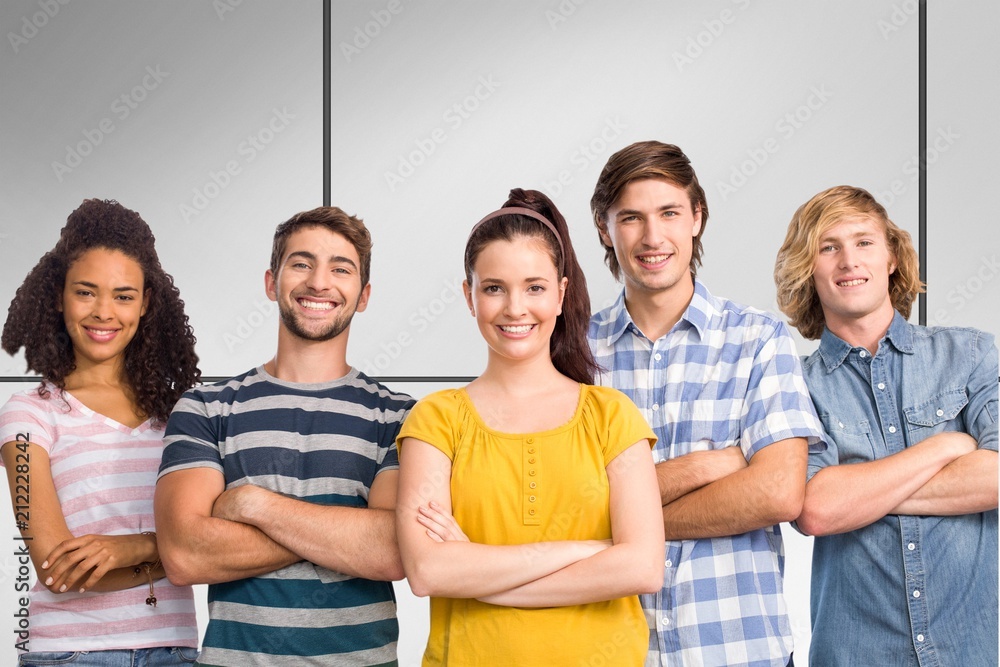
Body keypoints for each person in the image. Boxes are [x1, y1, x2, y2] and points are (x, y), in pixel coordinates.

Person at [396, 188, 664, 666]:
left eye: (534, 287)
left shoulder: (611, 415)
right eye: (494, 287)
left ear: (560, 295)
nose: (515, 308)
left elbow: (642, 566)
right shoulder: (435, 420)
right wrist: (588, 550)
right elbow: (429, 570)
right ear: (469, 296)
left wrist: (480, 570)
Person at [587, 141, 825, 667]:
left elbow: (779, 493)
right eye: (631, 217)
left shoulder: (758, 339)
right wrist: (709, 466)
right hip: (614, 653)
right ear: (605, 229)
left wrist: (624, 520)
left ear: (696, 217)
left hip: (739, 650)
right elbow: (562, 505)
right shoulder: (572, 353)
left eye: (669, 213)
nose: (653, 237)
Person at [154, 206, 415, 666]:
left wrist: (255, 506)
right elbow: (183, 554)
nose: (319, 282)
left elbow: (395, 551)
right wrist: (347, 533)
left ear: (364, 294)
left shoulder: (398, 416)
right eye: (301, 263)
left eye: (341, 268)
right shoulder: (206, 408)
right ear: (271, 282)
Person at [774, 185, 998, 666]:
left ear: (892, 257)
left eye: (864, 242)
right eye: (827, 247)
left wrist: (858, 495)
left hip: (975, 649)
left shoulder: (971, 354)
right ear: (807, 269)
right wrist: (946, 448)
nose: (848, 261)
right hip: (857, 654)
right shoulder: (793, 384)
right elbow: (813, 510)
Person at [0, 199, 201, 666]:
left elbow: (216, 538)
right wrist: (172, 551)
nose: (103, 313)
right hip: (70, 654)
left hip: (174, 651)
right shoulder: (27, 417)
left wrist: (133, 547)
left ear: (146, 302)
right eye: (86, 292)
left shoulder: (183, 415)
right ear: (58, 295)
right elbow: (57, 572)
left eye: (123, 295)